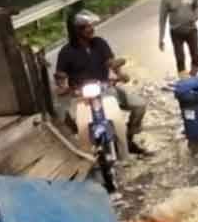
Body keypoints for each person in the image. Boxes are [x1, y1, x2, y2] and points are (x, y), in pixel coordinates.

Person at [55, 9, 150, 157]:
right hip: (82, 96)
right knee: (74, 121)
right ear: (77, 30)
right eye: (87, 27)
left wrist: (120, 73)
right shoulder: (66, 52)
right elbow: (60, 75)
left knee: (139, 105)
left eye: (91, 26)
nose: (91, 29)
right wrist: (62, 85)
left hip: (105, 89)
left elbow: (111, 62)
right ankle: (84, 150)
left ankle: (128, 138)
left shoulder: (99, 43)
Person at [158, 0, 198, 79]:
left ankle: (193, 76)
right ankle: (184, 81)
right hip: (176, 32)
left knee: (196, 56)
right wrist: (161, 38)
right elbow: (162, 19)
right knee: (180, 57)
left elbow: (196, 6)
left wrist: (196, 15)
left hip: (191, 30)